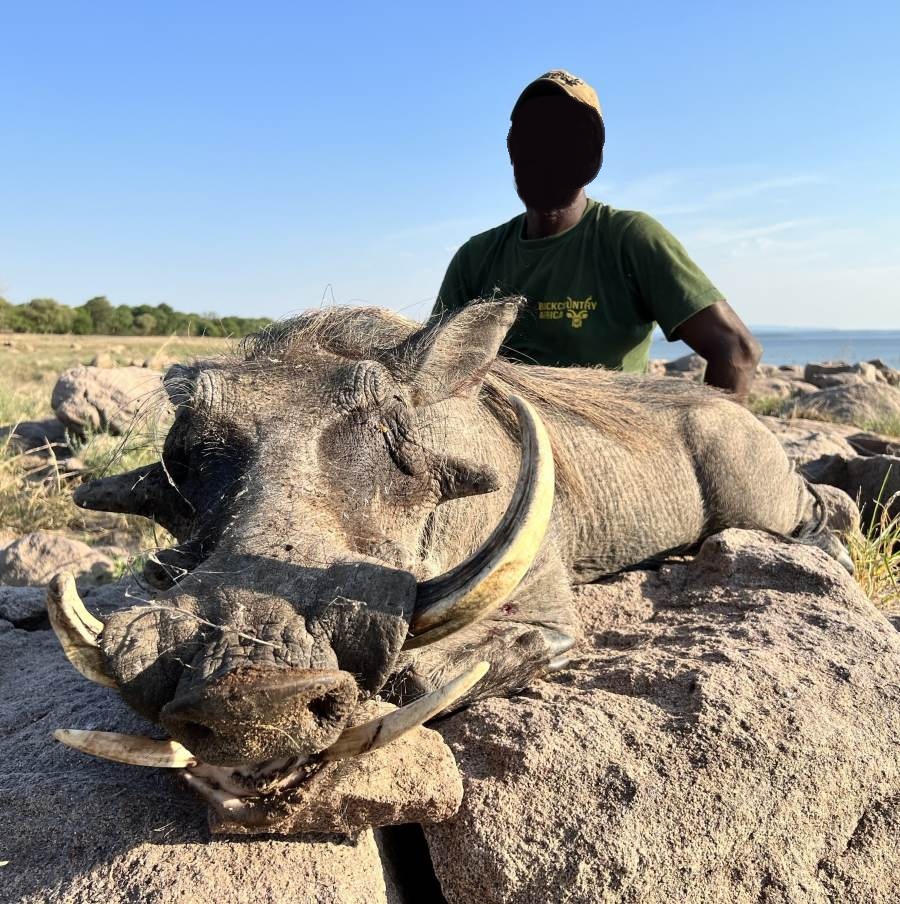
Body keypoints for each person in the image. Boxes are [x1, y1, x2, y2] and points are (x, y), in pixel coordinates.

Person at [431, 69, 762, 400]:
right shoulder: (476, 258)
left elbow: (736, 350)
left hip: (611, 443)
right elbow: (431, 370)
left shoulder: (630, 239)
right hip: (500, 444)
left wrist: (693, 445)